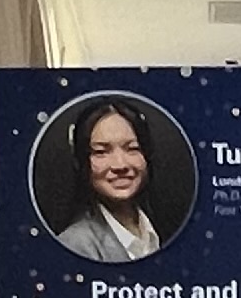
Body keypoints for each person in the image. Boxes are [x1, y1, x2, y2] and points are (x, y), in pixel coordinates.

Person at [52, 97, 168, 262]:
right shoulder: (76, 244)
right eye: (101, 152)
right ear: (81, 162)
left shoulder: (161, 229)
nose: (120, 165)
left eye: (132, 148)